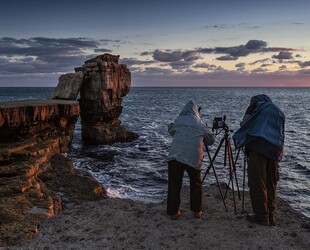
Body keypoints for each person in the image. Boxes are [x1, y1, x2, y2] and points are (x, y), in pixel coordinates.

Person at [233, 95, 285, 226]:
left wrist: (249, 109)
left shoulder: (256, 108)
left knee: (257, 182)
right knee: (271, 182)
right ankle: (271, 216)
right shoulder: (278, 111)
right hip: (275, 149)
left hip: (258, 146)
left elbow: (244, 124)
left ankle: (262, 217)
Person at [167, 100, 214, 219]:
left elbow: (171, 131)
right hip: (193, 157)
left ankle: (173, 212)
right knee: (196, 183)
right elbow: (210, 141)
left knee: (174, 183)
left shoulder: (179, 120)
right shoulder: (201, 123)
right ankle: (197, 211)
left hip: (175, 156)